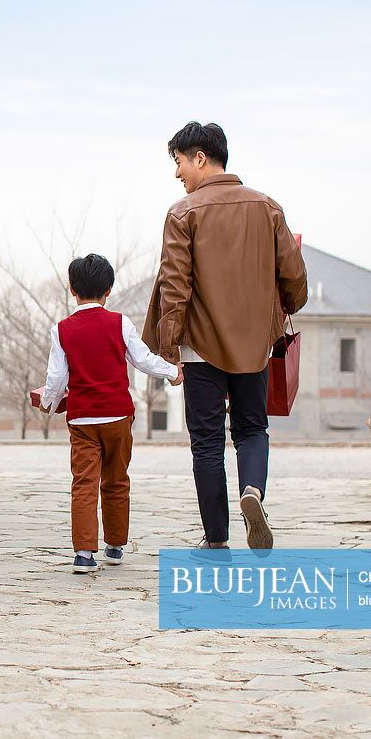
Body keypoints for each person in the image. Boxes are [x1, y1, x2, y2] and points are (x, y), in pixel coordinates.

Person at [142, 122, 307, 550]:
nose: (177, 174)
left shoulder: (183, 213)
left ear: (199, 158)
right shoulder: (268, 207)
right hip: (255, 346)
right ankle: (252, 490)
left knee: (207, 443)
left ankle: (216, 540)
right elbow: (295, 277)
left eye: (178, 162)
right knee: (252, 428)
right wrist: (284, 305)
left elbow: (175, 286)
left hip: (201, 348)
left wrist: (168, 347)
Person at [40, 254, 182, 574]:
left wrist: (48, 402)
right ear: (109, 290)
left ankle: (84, 553)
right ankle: (115, 545)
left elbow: (57, 378)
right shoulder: (120, 322)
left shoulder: (61, 329)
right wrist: (172, 371)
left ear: (71, 289)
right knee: (117, 480)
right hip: (118, 415)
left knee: (84, 483)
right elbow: (142, 360)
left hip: (81, 420)